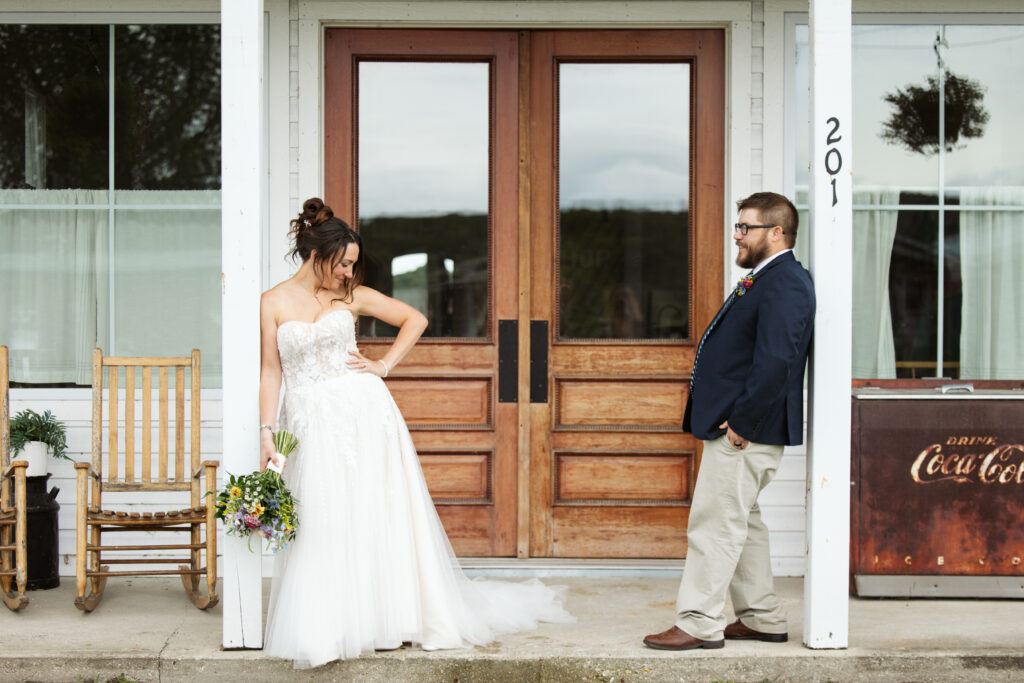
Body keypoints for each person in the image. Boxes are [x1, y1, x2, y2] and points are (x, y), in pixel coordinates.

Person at [261, 198, 573, 668]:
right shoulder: (273, 301)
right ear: (316, 255)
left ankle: (388, 619)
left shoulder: (352, 297)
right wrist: (267, 432)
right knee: (325, 520)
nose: (348, 273)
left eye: (352, 265)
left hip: (364, 416)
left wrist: (382, 365)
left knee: (373, 513)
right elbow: (270, 372)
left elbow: (416, 319)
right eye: (342, 264)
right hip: (308, 423)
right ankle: (331, 625)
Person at [643, 191, 815, 651]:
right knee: (744, 521)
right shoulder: (766, 279)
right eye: (737, 226)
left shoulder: (786, 282)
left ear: (776, 233)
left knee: (714, 524)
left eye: (746, 228)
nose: (737, 236)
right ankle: (762, 616)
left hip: (743, 432)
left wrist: (744, 421)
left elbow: (777, 360)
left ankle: (699, 622)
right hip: (738, 428)